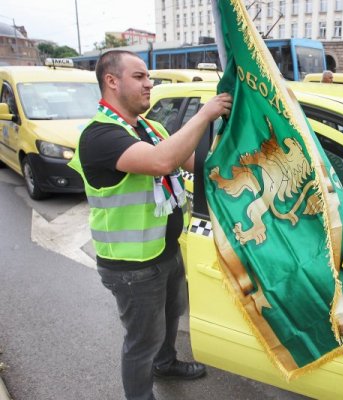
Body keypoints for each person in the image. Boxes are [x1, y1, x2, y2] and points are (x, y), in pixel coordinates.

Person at [69, 50, 232, 400]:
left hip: (164, 249)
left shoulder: (149, 127)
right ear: (112, 81)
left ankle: (166, 362)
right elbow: (162, 162)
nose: (149, 84)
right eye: (140, 77)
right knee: (141, 341)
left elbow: (194, 161)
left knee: (172, 314)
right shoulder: (99, 136)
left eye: (148, 77)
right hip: (131, 265)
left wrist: (229, 130)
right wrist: (204, 114)